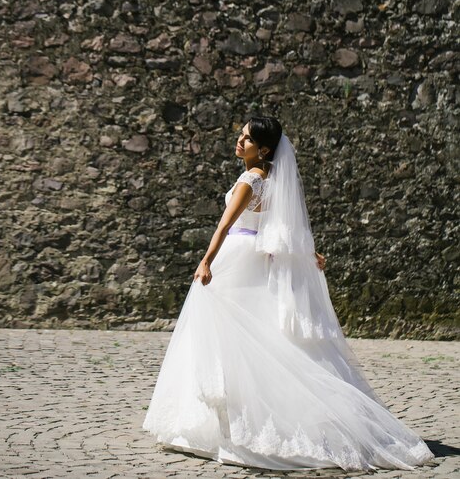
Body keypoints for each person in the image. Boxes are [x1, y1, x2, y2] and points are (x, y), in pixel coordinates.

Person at [142, 116, 435, 471]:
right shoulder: (272, 180)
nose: (240, 141)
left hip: (235, 260)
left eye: (247, 139)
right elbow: (284, 225)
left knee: (225, 339)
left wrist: (206, 261)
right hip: (254, 260)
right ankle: (233, 423)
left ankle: (231, 427)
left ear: (263, 149)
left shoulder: (251, 180)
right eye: (242, 135)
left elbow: (225, 224)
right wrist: (309, 254)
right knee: (254, 338)